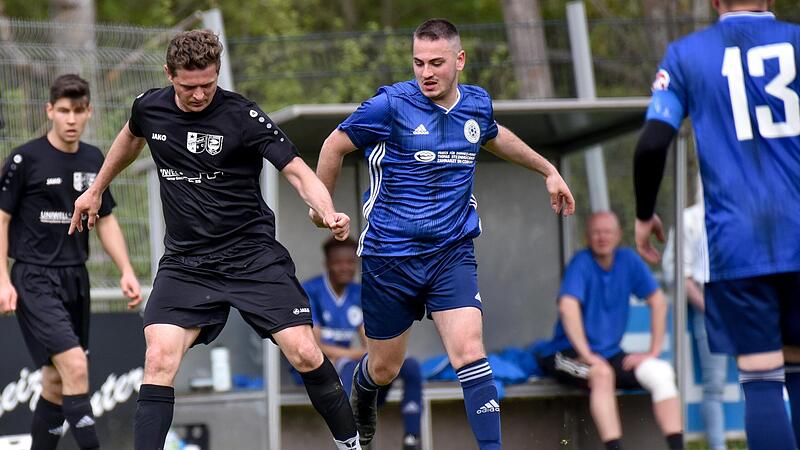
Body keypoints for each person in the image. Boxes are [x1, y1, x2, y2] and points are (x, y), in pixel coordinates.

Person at [69, 30, 362, 450]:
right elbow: (131, 137)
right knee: (158, 358)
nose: (199, 95)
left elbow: (297, 170)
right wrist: (97, 188)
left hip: (252, 256)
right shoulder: (149, 107)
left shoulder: (243, 116)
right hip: (186, 263)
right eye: (189, 87)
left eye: (208, 84)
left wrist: (327, 209)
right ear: (169, 74)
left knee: (304, 352)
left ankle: (351, 443)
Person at [313, 18, 575, 450]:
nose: (426, 72)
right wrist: (323, 208)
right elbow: (333, 145)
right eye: (418, 63)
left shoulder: (477, 104)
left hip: (451, 252)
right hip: (390, 256)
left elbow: (493, 135)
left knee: (470, 351)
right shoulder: (390, 105)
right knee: (384, 368)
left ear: (460, 60)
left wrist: (548, 170)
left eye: (436, 63)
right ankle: (364, 386)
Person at [633, 1, 800, 449]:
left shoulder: (686, 54)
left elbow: (651, 145)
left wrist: (644, 215)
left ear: (714, 1)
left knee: (761, 374)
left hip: (737, 241)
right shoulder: (797, 42)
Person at [0, 74, 142, 450]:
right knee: (76, 366)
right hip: (34, 278)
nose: (71, 119)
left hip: (76, 279)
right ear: (50, 110)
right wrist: (2, 280)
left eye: (78, 111)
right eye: (63, 110)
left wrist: (126, 270)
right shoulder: (24, 159)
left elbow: (105, 219)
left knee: (54, 381)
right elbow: (1, 219)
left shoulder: (94, 159)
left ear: (89, 112)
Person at [538, 211, 683, 450]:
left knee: (660, 371)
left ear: (618, 235)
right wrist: (587, 354)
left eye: (607, 232)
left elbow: (658, 302)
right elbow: (567, 306)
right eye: (596, 232)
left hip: (610, 353)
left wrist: (652, 352)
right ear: (587, 237)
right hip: (567, 353)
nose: (602, 237)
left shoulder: (628, 260)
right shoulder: (581, 262)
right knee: (602, 374)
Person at [303, 237, 424, 450]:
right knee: (352, 368)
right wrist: (358, 354)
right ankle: (355, 443)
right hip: (324, 367)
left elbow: (369, 341)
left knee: (410, 365)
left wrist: (370, 354)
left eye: (350, 262)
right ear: (327, 264)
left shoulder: (357, 292)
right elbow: (314, 346)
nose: (345, 268)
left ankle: (411, 439)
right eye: (338, 262)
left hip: (349, 360)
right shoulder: (312, 291)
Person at [663, 179, 729, 450]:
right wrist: (712, 310)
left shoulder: (742, 211)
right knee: (714, 387)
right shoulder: (690, 219)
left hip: (749, 307)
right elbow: (677, 271)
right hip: (709, 308)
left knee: (765, 377)